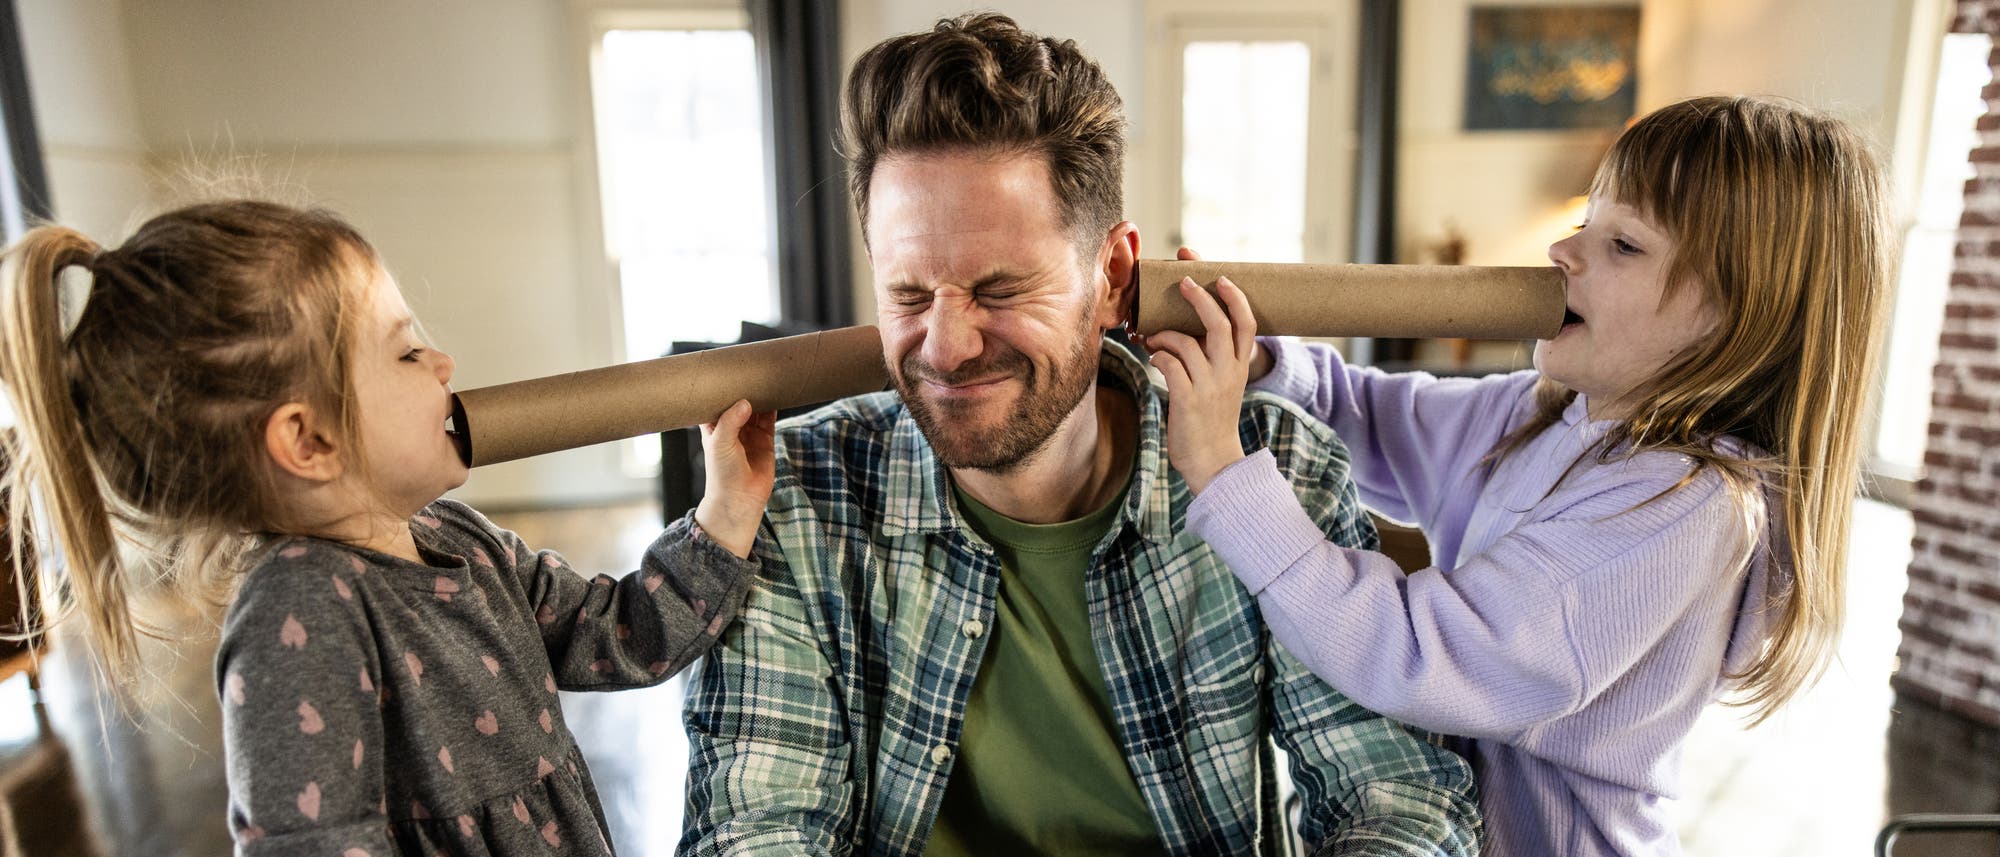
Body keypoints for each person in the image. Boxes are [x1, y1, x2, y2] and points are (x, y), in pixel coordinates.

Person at [680, 13, 1480, 857]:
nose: (945, 347)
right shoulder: (793, 497)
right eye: (909, 295)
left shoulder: (1272, 472)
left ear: (1114, 279)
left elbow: (1397, 801)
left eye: (999, 288)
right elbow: (754, 831)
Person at [1142, 94, 1890, 856]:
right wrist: (1260, 359)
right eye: (1585, 224)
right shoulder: (1547, 412)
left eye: (1623, 244)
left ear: (1741, 315)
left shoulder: (1684, 507)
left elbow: (1412, 653)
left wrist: (1222, 470)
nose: (1564, 251)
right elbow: (1369, 416)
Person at [0, 200, 774, 856]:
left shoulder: (463, 540)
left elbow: (619, 633)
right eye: (406, 351)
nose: (442, 361)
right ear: (308, 441)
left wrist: (726, 509)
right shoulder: (298, 612)